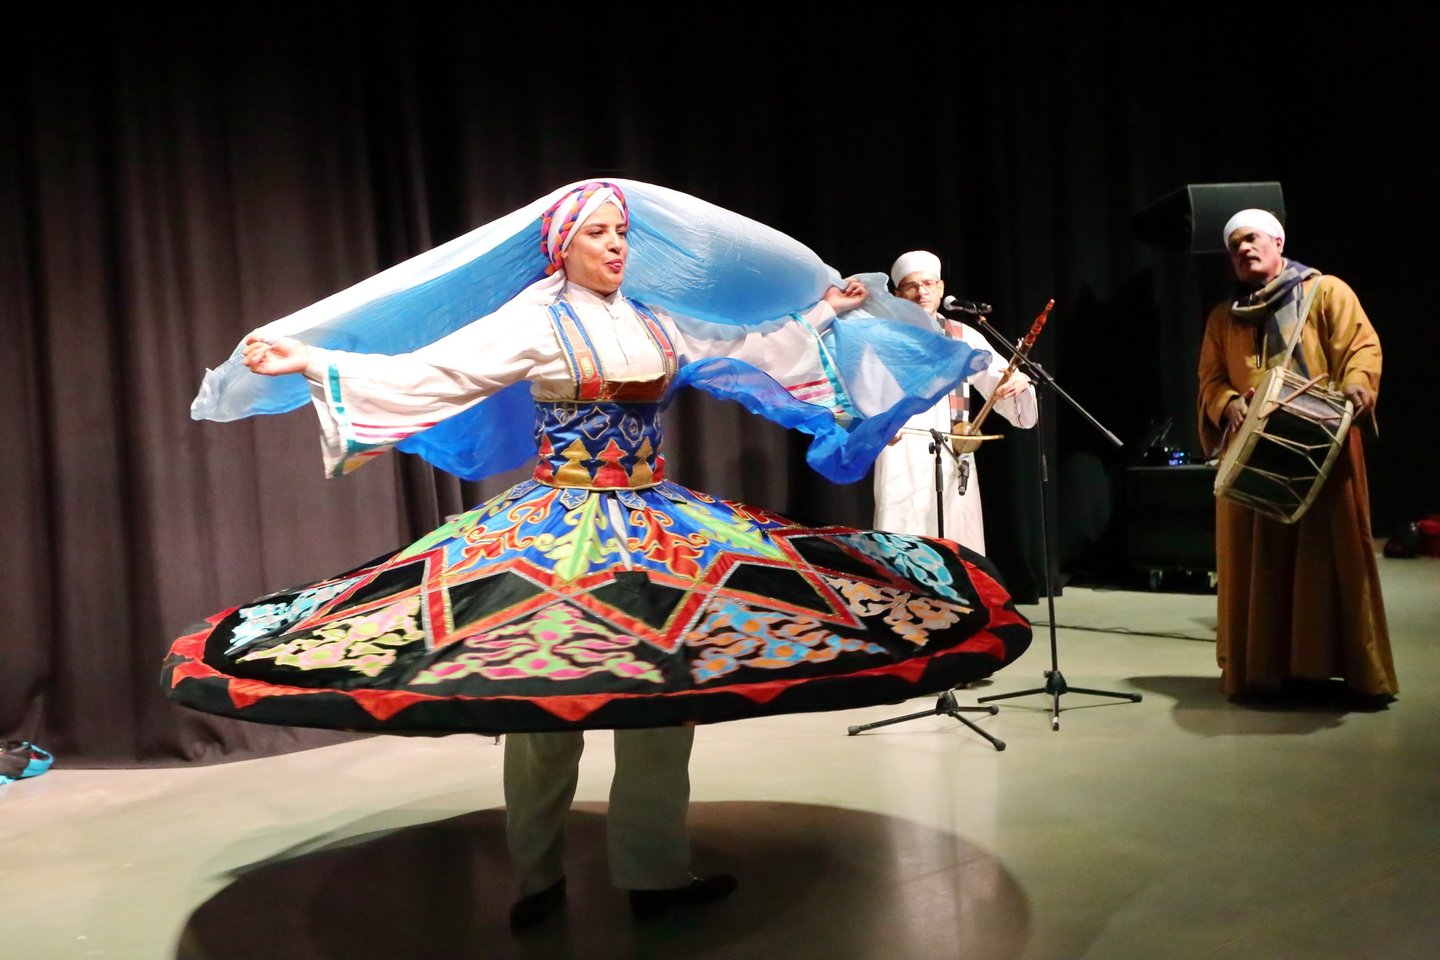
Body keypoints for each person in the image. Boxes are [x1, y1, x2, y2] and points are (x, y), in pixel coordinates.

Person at [164, 181, 1032, 929]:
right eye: (599, 234)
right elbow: (437, 370)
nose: (617, 246)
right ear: (563, 246)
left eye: (622, 233)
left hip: (654, 525)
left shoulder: (652, 319)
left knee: (665, 693)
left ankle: (652, 872)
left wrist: (823, 314)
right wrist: (311, 362)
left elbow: (739, 348)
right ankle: (536, 873)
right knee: (541, 701)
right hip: (554, 529)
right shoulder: (533, 319)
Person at [1197, 208, 1396, 701]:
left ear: (1278, 243)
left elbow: (1362, 347)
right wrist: (1228, 403)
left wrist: (1358, 383)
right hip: (1252, 455)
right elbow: (1210, 379)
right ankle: (1262, 673)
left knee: (1331, 559)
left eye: (1252, 239)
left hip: (1320, 447)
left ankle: (1347, 672)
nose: (1244, 249)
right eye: (1235, 246)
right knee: (1257, 565)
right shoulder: (1224, 317)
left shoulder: (1325, 292)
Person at [873, 251, 1037, 551]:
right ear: (897, 294)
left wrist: (1018, 384)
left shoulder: (963, 336)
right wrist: (875, 425)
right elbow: (860, 394)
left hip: (953, 452)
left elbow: (999, 379)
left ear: (941, 288)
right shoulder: (882, 339)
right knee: (902, 541)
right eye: (911, 286)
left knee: (956, 541)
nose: (921, 292)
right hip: (901, 454)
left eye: (928, 284)